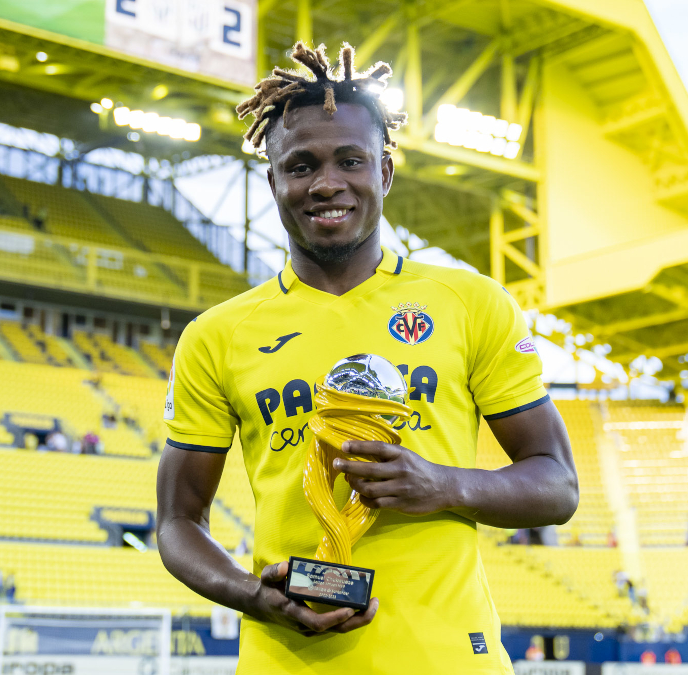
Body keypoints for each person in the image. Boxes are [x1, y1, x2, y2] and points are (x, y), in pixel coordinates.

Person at [155, 41, 579, 675]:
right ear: (273, 182)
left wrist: (444, 485)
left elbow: (557, 484)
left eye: (350, 161)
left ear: (384, 172)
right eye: (300, 166)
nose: (327, 183)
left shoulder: (470, 303)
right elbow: (177, 522)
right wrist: (253, 596)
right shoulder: (217, 335)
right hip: (288, 662)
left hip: (447, 659)